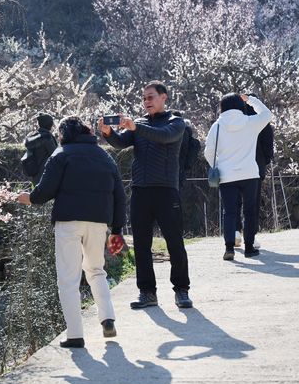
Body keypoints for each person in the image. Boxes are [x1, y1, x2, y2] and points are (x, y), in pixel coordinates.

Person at [17, 116, 126, 348]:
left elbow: (44, 190)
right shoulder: (105, 157)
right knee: (96, 270)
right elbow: (119, 196)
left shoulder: (61, 154)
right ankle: (107, 317)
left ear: (64, 134)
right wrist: (116, 229)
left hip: (68, 222)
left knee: (68, 279)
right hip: (98, 223)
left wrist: (29, 199)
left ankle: (75, 335)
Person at [98, 80, 193, 309]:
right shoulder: (138, 124)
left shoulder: (176, 123)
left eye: (150, 97)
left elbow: (164, 137)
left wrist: (135, 127)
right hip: (141, 190)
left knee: (174, 242)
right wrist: (108, 132)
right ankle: (147, 292)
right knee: (141, 244)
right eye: (143, 98)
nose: (146, 102)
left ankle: (181, 290)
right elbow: (120, 143)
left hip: (166, 190)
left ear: (164, 97)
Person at [204, 93, 272, 261]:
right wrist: (251, 100)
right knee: (249, 211)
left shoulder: (217, 126)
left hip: (227, 176)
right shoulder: (250, 123)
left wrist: (218, 165)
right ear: (240, 106)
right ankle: (249, 248)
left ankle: (229, 248)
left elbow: (208, 151)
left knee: (229, 212)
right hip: (249, 173)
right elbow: (267, 115)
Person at [233, 100, 274, 249]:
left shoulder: (236, 123)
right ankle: (251, 235)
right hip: (256, 166)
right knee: (252, 204)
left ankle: (236, 231)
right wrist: (265, 160)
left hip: (235, 167)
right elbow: (269, 146)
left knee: (234, 201)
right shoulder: (262, 123)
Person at [21, 113, 58, 185]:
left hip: (34, 173)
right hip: (46, 174)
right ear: (50, 124)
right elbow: (55, 156)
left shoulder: (32, 137)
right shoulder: (47, 138)